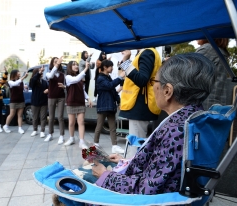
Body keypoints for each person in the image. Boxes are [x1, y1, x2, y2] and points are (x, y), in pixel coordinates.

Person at [55, 53, 216, 205]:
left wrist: (106, 176)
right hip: (143, 181)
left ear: (167, 91)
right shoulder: (194, 119)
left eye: (154, 82)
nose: (152, 87)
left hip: (133, 198)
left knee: (65, 185)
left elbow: (145, 190)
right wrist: (127, 161)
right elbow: (161, 165)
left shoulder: (177, 131)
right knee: (91, 161)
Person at [119, 48, 162, 140]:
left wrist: (126, 62)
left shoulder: (147, 53)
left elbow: (142, 79)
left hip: (139, 105)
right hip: (139, 104)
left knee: (135, 147)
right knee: (136, 144)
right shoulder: (147, 52)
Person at [94, 60, 125, 154]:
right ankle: (95, 144)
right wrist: (120, 77)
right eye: (110, 66)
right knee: (99, 126)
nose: (112, 68)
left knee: (113, 128)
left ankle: (114, 146)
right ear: (104, 67)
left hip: (111, 106)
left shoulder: (108, 77)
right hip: (103, 106)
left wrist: (119, 101)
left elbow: (112, 90)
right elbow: (109, 86)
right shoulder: (100, 78)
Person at [64, 60, 92, 149]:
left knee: (81, 122)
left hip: (80, 102)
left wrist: (88, 98)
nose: (76, 66)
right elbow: (75, 80)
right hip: (71, 102)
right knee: (71, 122)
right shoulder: (68, 77)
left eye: (76, 65)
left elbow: (83, 90)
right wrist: (86, 68)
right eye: (73, 65)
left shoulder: (80, 78)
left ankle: (81, 142)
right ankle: (71, 138)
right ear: (69, 67)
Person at [195, 38, 230, 110]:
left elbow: (186, 70)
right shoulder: (219, 50)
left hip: (204, 104)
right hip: (216, 103)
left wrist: (170, 63)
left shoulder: (208, 49)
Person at [45, 57, 66, 144]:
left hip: (61, 97)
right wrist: (57, 65)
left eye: (58, 62)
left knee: (60, 117)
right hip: (51, 96)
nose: (57, 63)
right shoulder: (48, 73)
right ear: (52, 63)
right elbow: (50, 76)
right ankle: (50, 134)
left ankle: (61, 136)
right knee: (51, 117)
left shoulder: (62, 74)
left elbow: (66, 85)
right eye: (55, 62)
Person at [2, 70, 28, 134]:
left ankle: (20, 128)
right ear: (14, 74)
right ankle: (6, 126)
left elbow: (24, 90)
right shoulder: (10, 82)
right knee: (12, 114)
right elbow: (15, 84)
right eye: (18, 72)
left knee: (20, 115)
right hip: (13, 101)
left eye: (19, 72)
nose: (19, 73)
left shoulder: (21, 81)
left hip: (21, 100)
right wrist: (23, 77)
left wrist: (26, 88)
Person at [29, 67, 48, 138]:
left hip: (44, 102)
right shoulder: (33, 80)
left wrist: (48, 90)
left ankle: (42, 131)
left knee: (43, 117)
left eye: (42, 72)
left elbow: (48, 88)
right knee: (35, 117)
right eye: (40, 71)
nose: (42, 73)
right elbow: (33, 81)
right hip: (35, 102)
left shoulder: (44, 82)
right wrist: (39, 73)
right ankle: (35, 130)